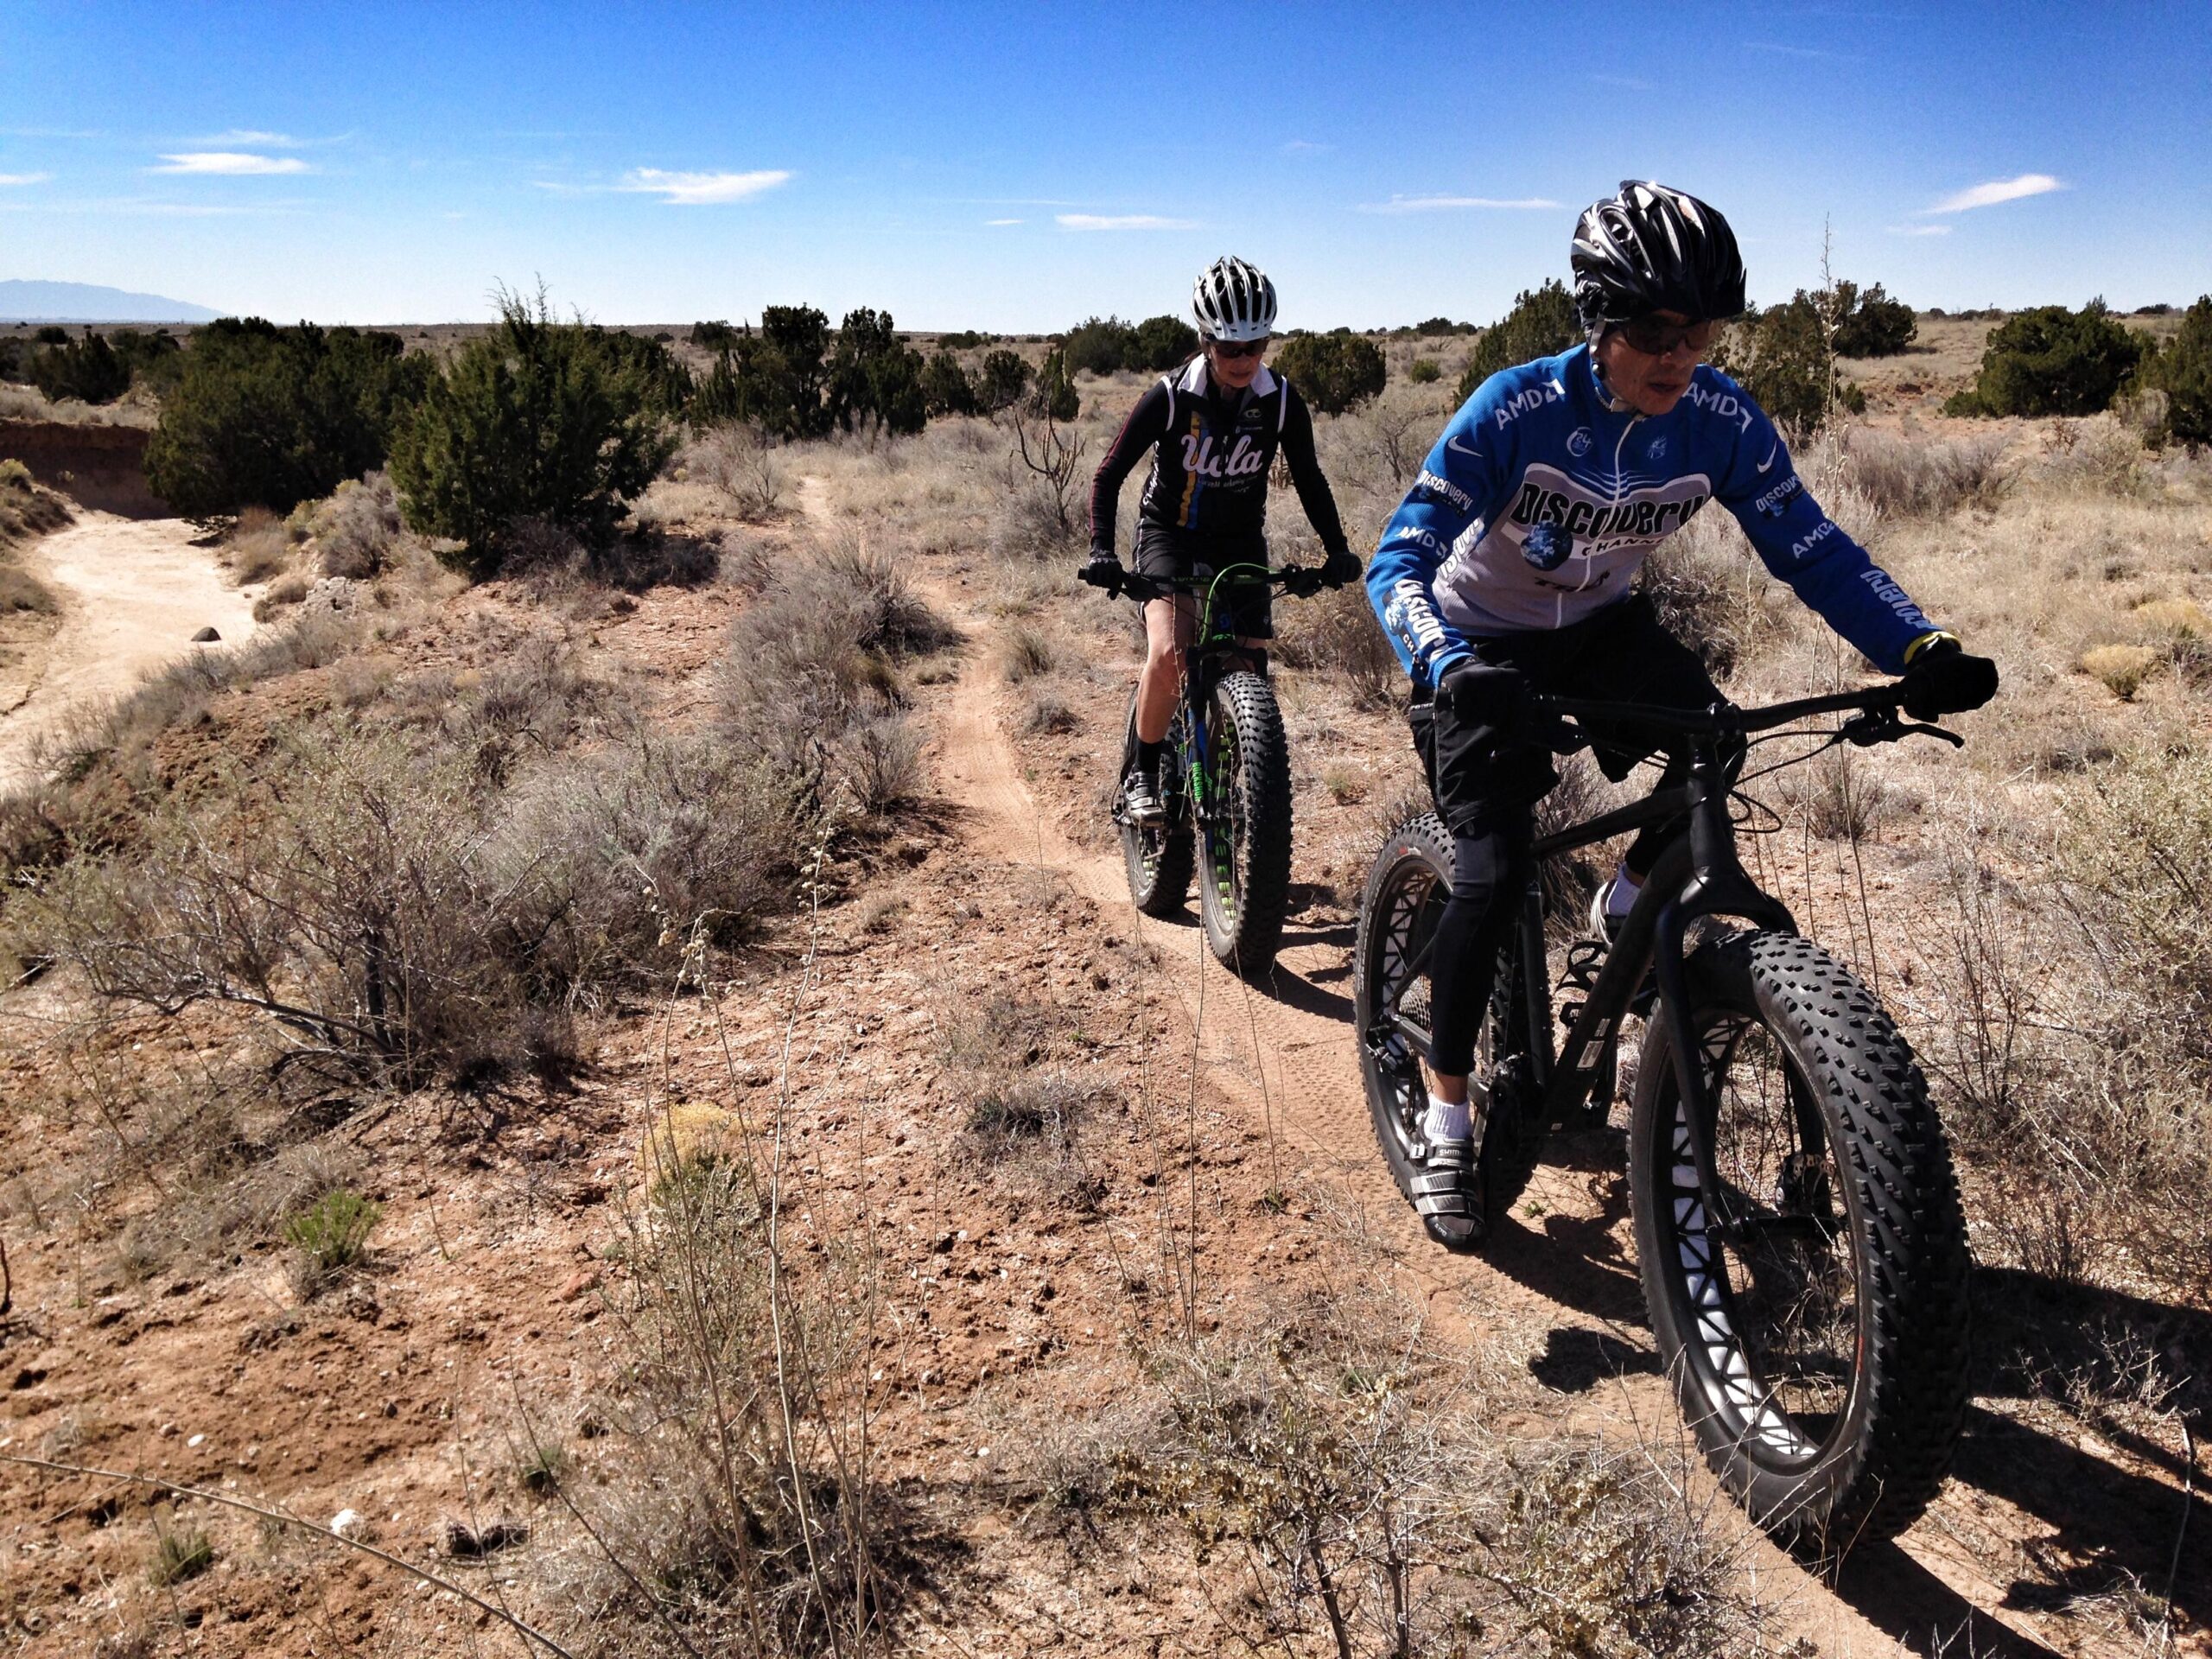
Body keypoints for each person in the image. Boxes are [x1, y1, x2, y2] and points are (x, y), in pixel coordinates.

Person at [1364, 181, 1999, 1237]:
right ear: (1597, 323)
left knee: (1715, 747)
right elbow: (1400, 560)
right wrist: (1440, 661)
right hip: (1476, 642)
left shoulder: (1718, 419)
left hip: (1601, 627)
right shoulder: (1518, 409)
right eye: (1655, 329)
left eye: (1701, 330)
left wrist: (1916, 644)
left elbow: (1812, 549)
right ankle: (1446, 1113)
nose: (1680, 354)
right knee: (1492, 866)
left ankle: (1625, 909)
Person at [1082, 255, 1363, 820]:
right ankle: (1140, 775)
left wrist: (1337, 550)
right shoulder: (1170, 396)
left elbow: (1309, 477)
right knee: (1169, 652)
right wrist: (1102, 550)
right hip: (1170, 534)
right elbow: (1109, 473)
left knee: (1252, 662)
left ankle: (1236, 772)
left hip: (1240, 541)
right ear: (1206, 340)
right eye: (1231, 347)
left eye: (1255, 346)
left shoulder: (1281, 401)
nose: (1243, 359)